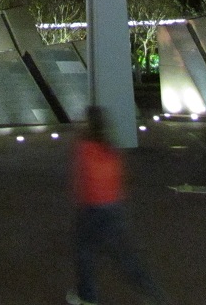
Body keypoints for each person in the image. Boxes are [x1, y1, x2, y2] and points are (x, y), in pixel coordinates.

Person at [67, 106, 166, 305]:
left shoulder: (85, 146)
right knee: (126, 256)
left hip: (92, 207)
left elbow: (81, 178)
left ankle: (87, 296)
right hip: (114, 206)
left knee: (85, 252)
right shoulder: (110, 147)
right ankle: (153, 294)